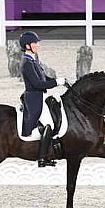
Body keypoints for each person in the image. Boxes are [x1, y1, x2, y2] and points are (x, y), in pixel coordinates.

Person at [19, 31, 67, 167]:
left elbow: (45, 78)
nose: (37, 45)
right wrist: (57, 82)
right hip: (34, 97)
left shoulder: (34, 60)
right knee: (49, 124)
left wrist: (61, 81)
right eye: (35, 43)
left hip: (41, 95)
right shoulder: (26, 62)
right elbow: (38, 84)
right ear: (27, 45)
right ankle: (42, 158)